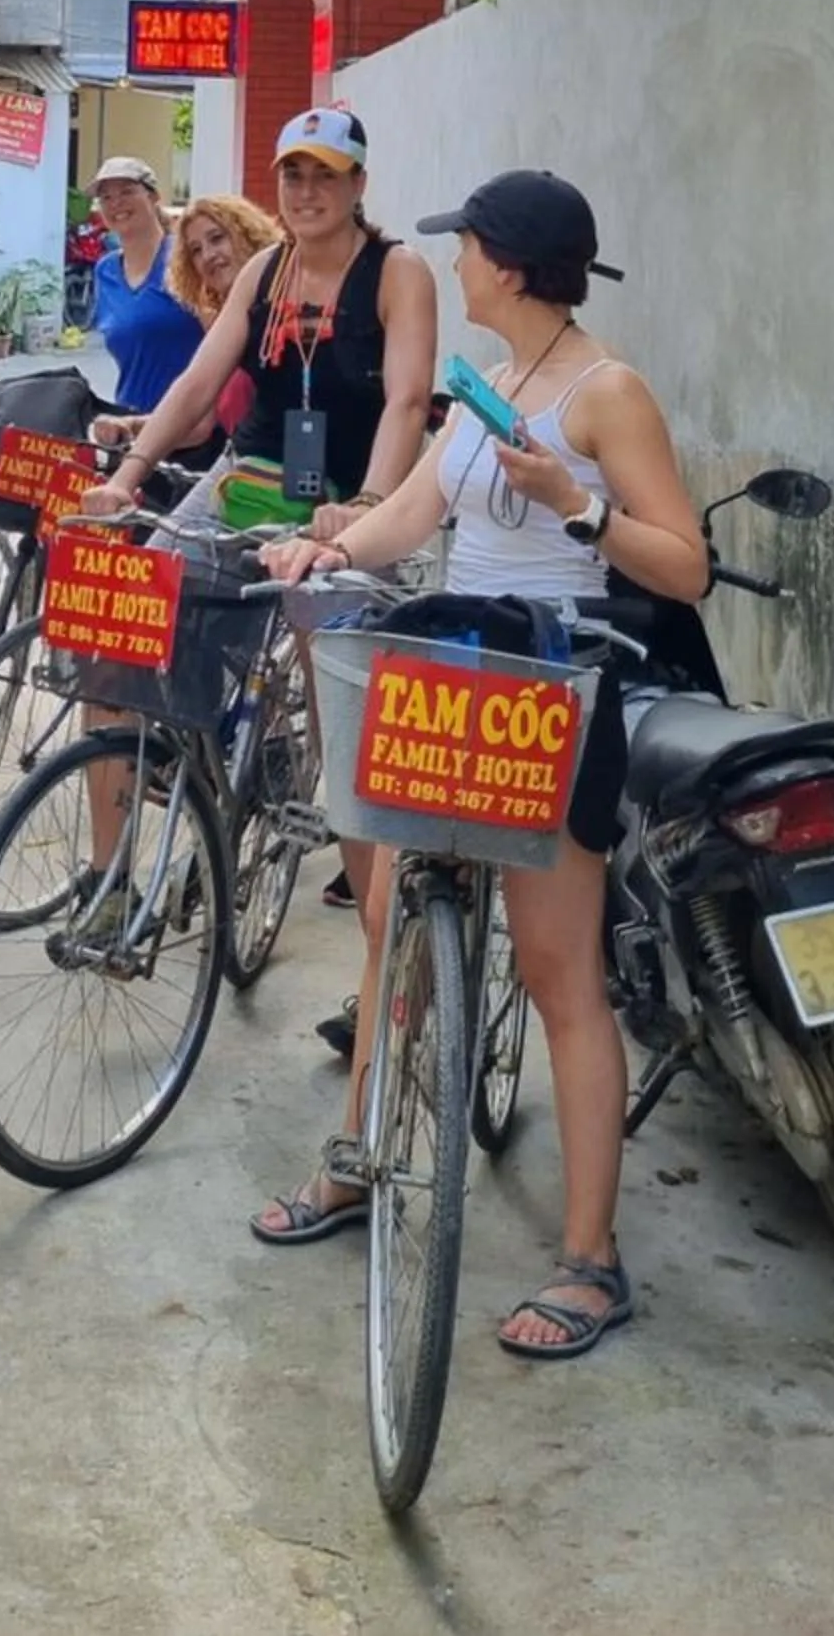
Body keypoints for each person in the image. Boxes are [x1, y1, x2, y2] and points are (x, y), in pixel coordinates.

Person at [250, 170, 710, 1369]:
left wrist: (578, 509)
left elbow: (685, 568)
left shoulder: (608, 396)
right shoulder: (487, 389)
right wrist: (324, 541)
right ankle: (357, 1162)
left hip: (558, 695)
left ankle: (591, 1260)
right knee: (395, 922)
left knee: (562, 979)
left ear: (509, 264)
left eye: (467, 250)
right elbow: (409, 517)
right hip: (453, 682)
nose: (452, 266)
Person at [81, 109, 435, 545]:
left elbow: (409, 402)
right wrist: (125, 477)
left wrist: (368, 503)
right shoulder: (265, 270)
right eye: (293, 176)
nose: (306, 192)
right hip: (248, 475)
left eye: (326, 175)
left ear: (358, 183)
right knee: (155, 588)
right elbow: (197, 383)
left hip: (349, 496)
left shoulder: (397, 272)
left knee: (326, 609)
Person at [90, 191, 279, 466]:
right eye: (196, 250)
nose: (209, 255)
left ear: (247, 235)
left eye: (217, 238)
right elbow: (198, 420)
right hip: (239, 471)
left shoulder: (280, 311)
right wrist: (131, 427)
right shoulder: (224, 321)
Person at [88, 155, 202, 424]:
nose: (116, 203)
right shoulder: (105, 271)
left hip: (192, 426)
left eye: (127, 191)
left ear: (154, 197)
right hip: (132, 421)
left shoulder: (185, 257)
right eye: (106, 197)